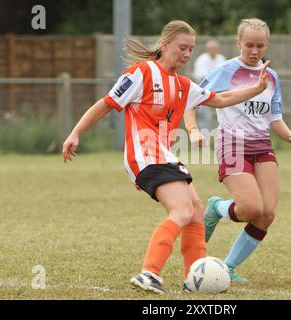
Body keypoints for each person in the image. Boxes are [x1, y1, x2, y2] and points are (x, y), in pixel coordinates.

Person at [62, 20, 270, 294]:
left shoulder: (184, 85)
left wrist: (256, 89)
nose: (186, 54)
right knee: (182, 210)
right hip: (144, 155)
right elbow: (105, 104)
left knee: (196, 211)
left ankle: (194, 278)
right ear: (165, 44)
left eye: (190, 50)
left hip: (165, 155)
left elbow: (219, 99)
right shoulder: (141, 73)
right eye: (182, 48)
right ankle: (149, 273)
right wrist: (75, 133)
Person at [184, 18, 291, 283]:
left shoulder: (272, 77)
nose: (255, 51)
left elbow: (274, 117)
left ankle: (228, 267)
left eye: (260, 46)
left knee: (266, 214)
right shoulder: (225, 71)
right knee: (250, 209)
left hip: (263, 147)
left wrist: (290, 136)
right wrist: (194, 130)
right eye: (250, 45)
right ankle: (217, 208)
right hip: (233, 146)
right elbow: (191, 101)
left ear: (267, 45)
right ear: (239, 43)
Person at [190, 39, 226, 137]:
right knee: (205, 116)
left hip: (220, 89)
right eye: (211, 48)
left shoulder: (221, 59)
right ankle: (204, 138)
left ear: (218, 49)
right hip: (204, 90)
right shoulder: (201, 59)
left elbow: (224, 75)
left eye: (214, 48)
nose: (213, 50)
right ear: (207, 49)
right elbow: (202, 78)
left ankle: (220, 137)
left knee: (224, 112)